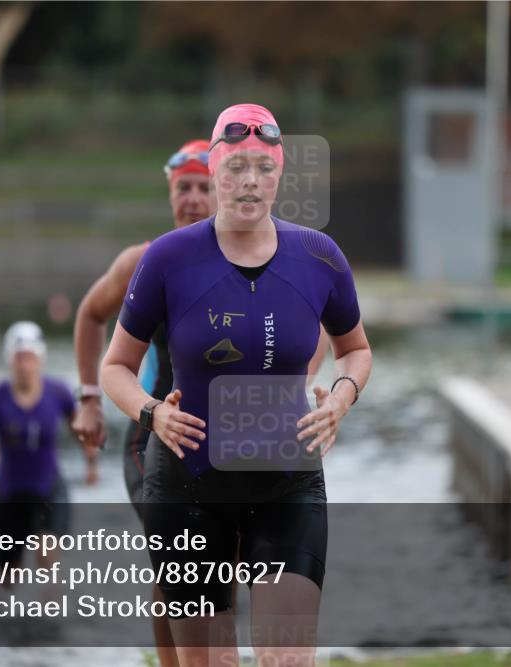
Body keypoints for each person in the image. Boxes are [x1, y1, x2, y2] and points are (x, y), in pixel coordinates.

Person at [101, 104, 372, 667]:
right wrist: (153, 412)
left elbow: (356, 349)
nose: (249, 180)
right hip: (188, 487)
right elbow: (115, 367)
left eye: (263, 168)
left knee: (287, 659)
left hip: (287, 483)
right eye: (236, 167)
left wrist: (339, 399)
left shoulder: (320, 257)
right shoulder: (167, 258)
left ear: (280, 175)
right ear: (217, 169)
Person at [0, 321, 97, 585]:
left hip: (48, 488)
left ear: (39, 359)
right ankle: (12, 621)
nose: (25, 364)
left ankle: (52, 618)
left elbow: (82, 431)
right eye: (19, 358)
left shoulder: (58, 392)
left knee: (47, 553)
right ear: (10, 360)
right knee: (9, 578)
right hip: (9, 492)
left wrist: (91, 463)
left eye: (30, 357)